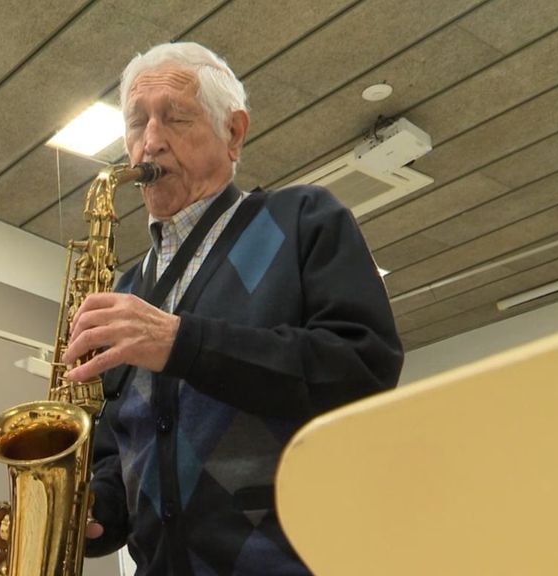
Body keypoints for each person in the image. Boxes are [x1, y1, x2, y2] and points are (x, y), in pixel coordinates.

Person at [62, 42, 404, 575]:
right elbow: (118, 446)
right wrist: (96, 508)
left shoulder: (304, 219)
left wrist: (181, 343)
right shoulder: (128, 288)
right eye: (136, 122)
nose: (150, 141)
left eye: (175, 117)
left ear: (234, 134)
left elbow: (364, 368)